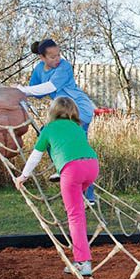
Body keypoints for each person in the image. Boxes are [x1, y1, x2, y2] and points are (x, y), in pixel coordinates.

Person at [14, 97, 99, 277]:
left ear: (53, 111)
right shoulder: (76, 127)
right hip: (92, 167)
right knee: (78, 205)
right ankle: (81, 196)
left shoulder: (48, 129)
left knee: (75, 216)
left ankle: (83, 262)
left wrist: (23, 176)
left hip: (72, 170)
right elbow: (72, 148)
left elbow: (35, 156)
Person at [16, 38, 96, 203]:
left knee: (78, 150)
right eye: (52, 57)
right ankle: (66, 172)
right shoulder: (39, 69)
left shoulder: (64, 66)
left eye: (58, 55)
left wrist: (22, 90)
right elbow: (35, 92)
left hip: (79, 109)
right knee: (49, 137)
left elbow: (50, 87)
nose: (57, 59)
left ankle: (88, 195)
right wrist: (19, 94)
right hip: (64, 112)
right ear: (42, 58)